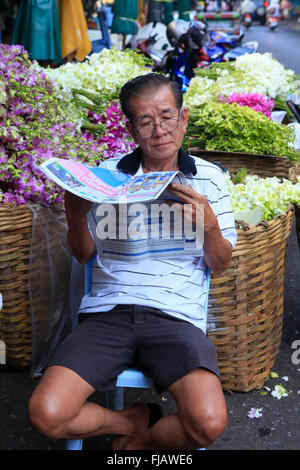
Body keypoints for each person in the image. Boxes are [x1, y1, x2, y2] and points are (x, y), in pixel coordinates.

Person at [28, 73, 237, 450]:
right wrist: (76, 217)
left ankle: (140, 444)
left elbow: (220, 263)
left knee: (208, 423)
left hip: (176, 314)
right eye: (145, 121)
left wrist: (209, 227)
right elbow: (83, 253)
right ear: (131, 129)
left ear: (183, 118)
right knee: (45, 414)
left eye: (167, 117)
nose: (159, 130)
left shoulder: (209, 179)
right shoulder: (107, 175)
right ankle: (127, 420)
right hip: (109, 312)